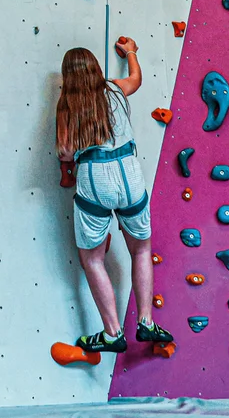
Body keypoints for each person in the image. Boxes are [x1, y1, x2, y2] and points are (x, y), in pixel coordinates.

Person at [56, 38, 172, 354]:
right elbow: (136, 78)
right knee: (141, 249)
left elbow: (65, 152)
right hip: (129, 172)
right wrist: (131, 51)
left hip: (95, 178)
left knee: (92, 259)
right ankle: (146, 321)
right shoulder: (115, 90)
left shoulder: (67, 105)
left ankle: (112, 332)